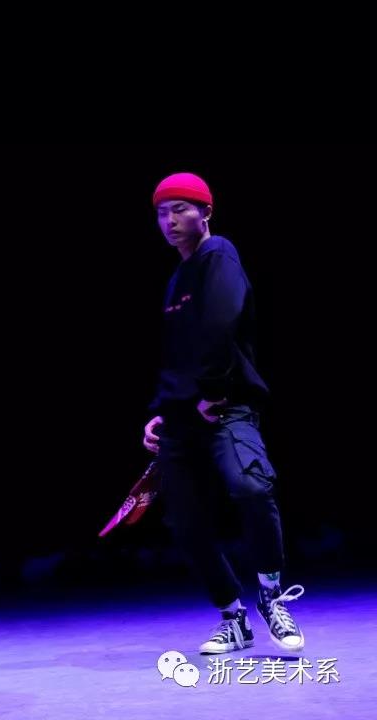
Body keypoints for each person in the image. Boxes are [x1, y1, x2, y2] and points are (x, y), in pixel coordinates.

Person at [142, 173, 304, 655]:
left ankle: (271, 595)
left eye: (180, 209)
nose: (169, 221)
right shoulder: (176, 278)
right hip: (181, 417)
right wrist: (160, 411)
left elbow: (222, 321)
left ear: (206, 212)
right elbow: (177, 354)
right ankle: (233, 618)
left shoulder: (219, 254)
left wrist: (212, 392)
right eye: (161, 212)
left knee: (251, 487)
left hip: (226, 408)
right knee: (186, 523)